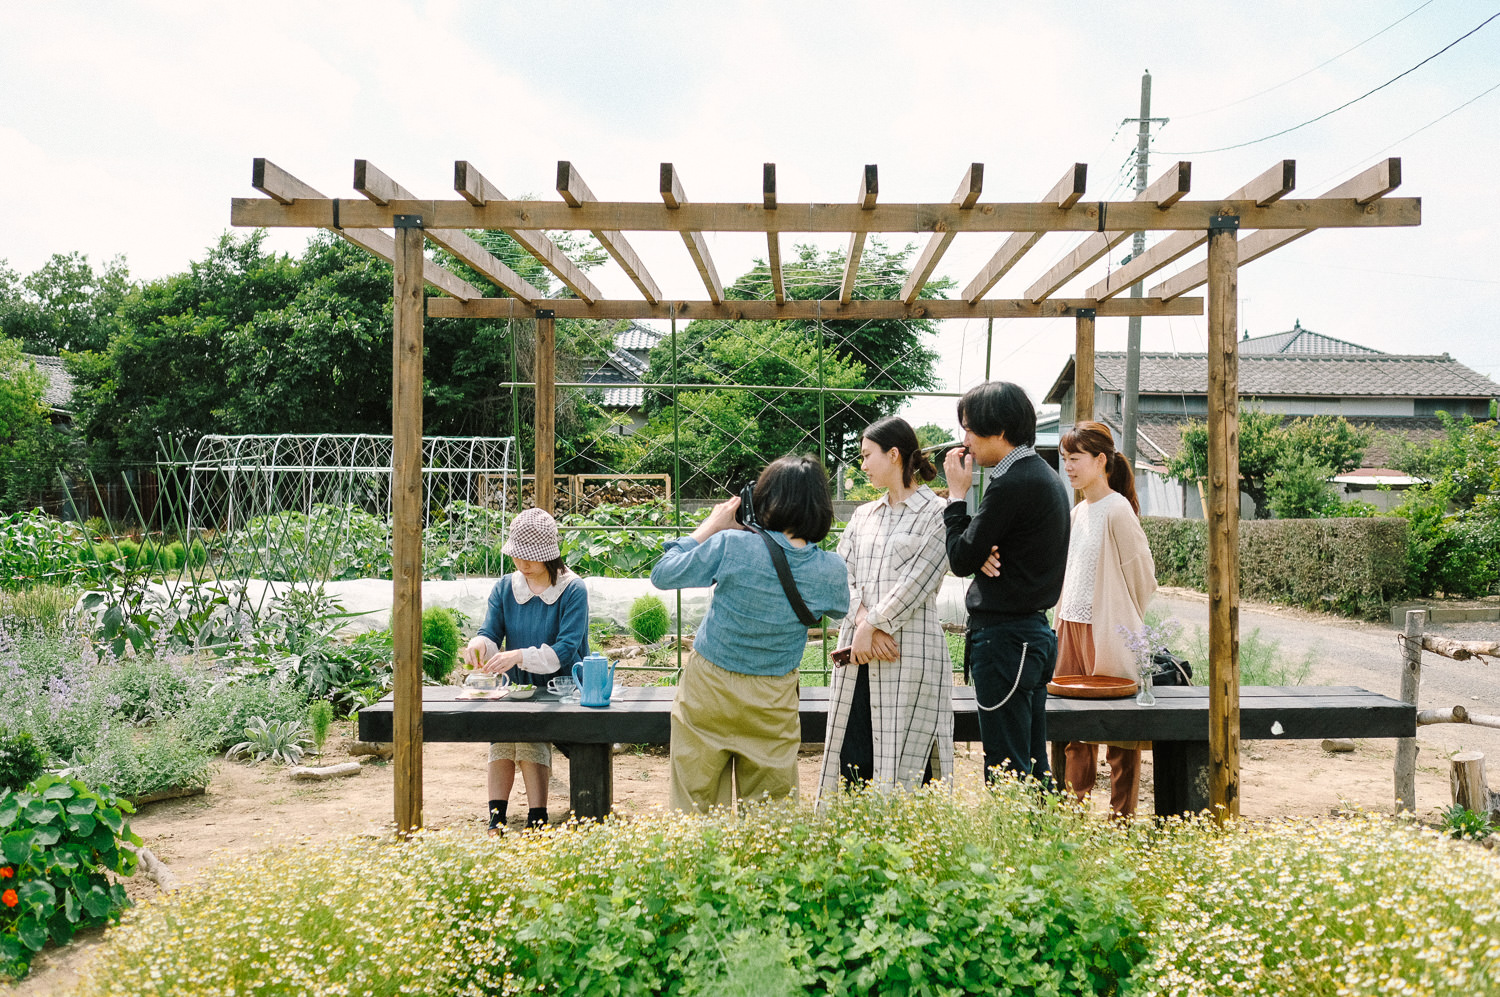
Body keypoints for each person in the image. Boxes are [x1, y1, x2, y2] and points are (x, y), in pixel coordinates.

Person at [651, 455, 849, 813]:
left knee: (695, 810)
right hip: (773, 700)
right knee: (771, 820)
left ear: (765, 501)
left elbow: (664, 574)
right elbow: (846, 608)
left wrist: (709, 526)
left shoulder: (731, 545)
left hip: (708, 691)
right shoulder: (830, 570)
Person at [942, 381, 1070, 785]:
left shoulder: (1012, 482)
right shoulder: (1041, 475)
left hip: (1005, 641)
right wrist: (982, 553)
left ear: (998, 430)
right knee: (1031, 761)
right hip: (1029, 636)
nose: (965, 442)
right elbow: (977, 553)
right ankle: (1041, 843)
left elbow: (961, 557)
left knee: (1007, 766)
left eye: (969, 429)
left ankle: (1015, 845)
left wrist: (957, 497)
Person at [817, 417, 952, 801]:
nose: (862, 465)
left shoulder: (936, 514)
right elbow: (841, 574)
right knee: (855, 752)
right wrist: (863, 624)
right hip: (860, 651)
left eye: (866, 456)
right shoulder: (864, 516)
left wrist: (872, 625)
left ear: (894, 455)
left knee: (912, 761)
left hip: (909, 652)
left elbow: (919, 582)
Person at [462, 507, 589, 832]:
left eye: (530, 558)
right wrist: (480, 645)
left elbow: (565, 651)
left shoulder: (572, 590)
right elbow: (491, 632)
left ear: (549, 556)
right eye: (517, 556)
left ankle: (537, 816)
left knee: (530, 737)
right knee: (503, 737)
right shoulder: (506, 588)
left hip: (564, 689)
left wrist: (517, 656)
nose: (522, 564)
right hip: (519, 688)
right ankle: (497, 817)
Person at [1052, 421, 1156, 816]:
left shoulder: (1117, 509)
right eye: (1065, 459)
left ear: (1100, 461)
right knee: (1074, 730)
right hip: (1070, 627)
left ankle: (1121, 817)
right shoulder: (1078, 511)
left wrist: (1122, 618)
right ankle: (1074, 812)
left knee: (1120, 732)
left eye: (1075, 459)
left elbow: (1142, 576)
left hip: (1107, 631)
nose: (1069, 467)